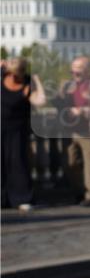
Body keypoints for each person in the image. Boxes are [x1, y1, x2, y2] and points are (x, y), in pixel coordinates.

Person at [54, 56, 90, 206]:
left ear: (88, 71)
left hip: (88, 130)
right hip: (69, 130)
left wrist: (81, 111)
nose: (74, 75)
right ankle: (79, 192)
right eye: (72, 71)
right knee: (70, 163)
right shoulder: (67, 85)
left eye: (78, 72)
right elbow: (58, 102)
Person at [1, 57, 46, 211]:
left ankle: (22, 198)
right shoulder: (1, 77)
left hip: (17, 130)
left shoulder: (27, 84)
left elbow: (40, 101)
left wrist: (37, 81)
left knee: (18, 163)